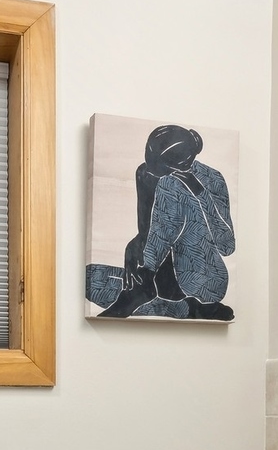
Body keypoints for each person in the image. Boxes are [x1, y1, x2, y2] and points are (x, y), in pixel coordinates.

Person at [100, 124, 235, 320]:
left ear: (183, 163)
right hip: (159, 275)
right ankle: (184, 309)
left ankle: (153, 296)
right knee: (91, 276)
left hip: (201, 279)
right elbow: (154, 232)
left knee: (170, 185)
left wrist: (201, 195)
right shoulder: (145, 173)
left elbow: (227, 246)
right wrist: (134, 247)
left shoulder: (211, 179)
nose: (152, 174)